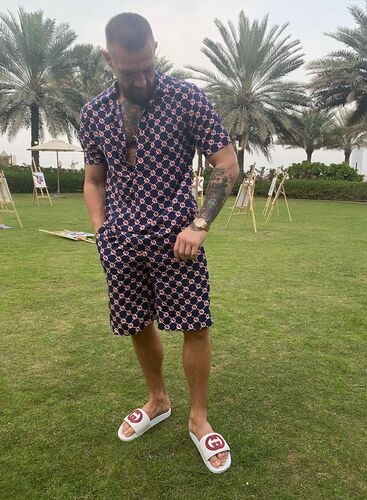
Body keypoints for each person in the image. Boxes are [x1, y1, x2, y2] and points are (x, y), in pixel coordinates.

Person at [79, 12, 239, 473]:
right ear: (108, 58)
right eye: (130, 71)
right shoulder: (93, 114)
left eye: (148, 66)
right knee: (137, 323)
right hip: (120, 241)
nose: (143, 79)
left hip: (177, 240)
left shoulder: (186, 98)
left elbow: (226, 164)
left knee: (195, 325)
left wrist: (200, 225)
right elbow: (94, 179)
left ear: (154, 49)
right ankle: (158, 400)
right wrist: (101, 229)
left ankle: (198, 418)